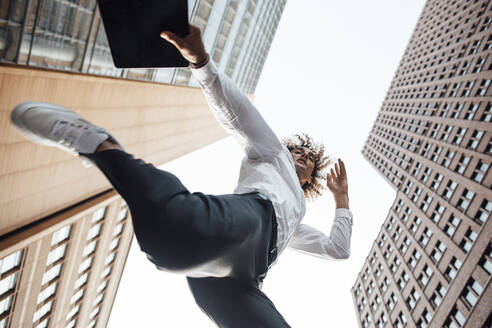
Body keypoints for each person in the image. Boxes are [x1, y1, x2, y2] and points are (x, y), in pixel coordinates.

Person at [11, 24, 352, 328]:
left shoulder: (297, 219)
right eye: (300, 151)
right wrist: (202, 64)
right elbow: (240, 116)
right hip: (248, 220)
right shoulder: (274, 154)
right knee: (172, 237)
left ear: (309, 181)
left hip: (245, 277)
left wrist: (342, 201)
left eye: (309, 160)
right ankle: (98, 144)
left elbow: (336, 249)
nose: (303, 156)